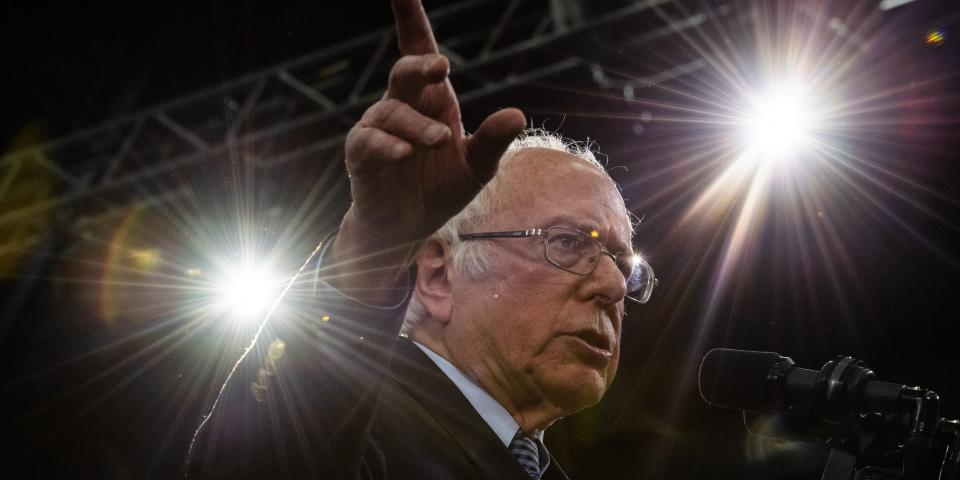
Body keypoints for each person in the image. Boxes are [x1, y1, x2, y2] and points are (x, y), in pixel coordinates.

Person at [188, 0, 655, 478]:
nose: (615, 287)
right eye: (569, 242)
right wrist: (372, 247)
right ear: (435, 275)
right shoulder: (354, 427)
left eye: (621, 263)